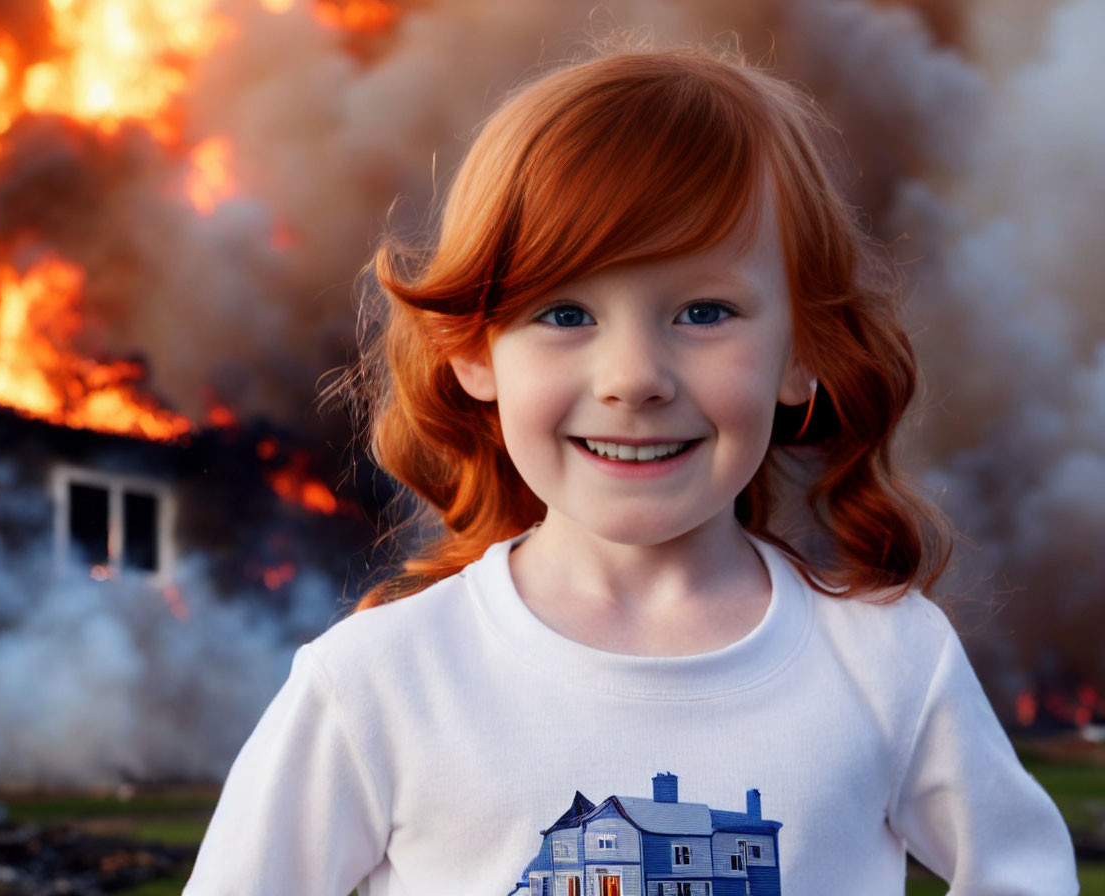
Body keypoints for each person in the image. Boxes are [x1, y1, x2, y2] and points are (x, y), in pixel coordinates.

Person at [183, 41, 1078, 896]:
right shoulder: (380, 682)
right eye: (566, 315)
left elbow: (1025, 875)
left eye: (703, 310)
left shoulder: (889, 661)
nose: (634, 380)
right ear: (474, 352)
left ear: (805, 349)